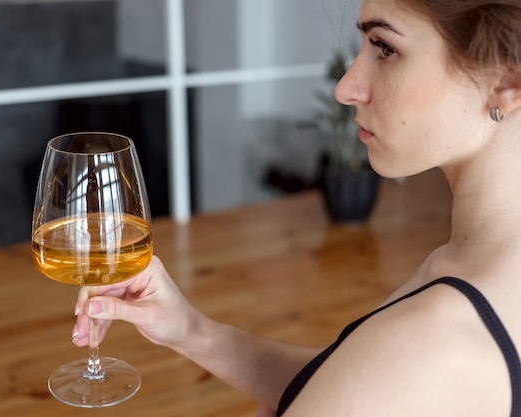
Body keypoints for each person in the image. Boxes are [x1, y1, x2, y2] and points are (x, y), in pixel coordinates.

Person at [72, 0, 521, 415]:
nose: (346, 88)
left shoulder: (436, 341)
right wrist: (192, 331)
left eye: (384, 48)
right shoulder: (479, 274)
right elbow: (357, 379)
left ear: (504, 81)